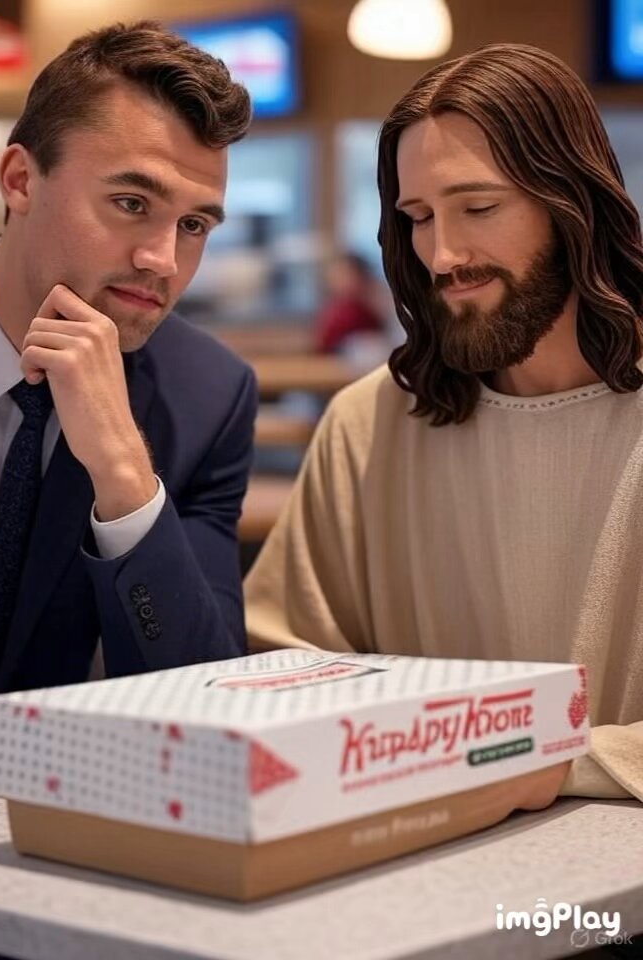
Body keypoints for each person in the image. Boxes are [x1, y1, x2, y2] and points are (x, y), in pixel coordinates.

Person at [245, 44, 643, 803]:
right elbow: (281, 664)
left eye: (479, 208)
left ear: (574, 205)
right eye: (419, 219)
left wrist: (524, 760)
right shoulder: (368, 428)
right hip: (413, 872)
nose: (444, 255)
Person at [0, 20, 257, 785]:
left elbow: (208, 707)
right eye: (132, 202)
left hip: (30, 836)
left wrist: (122, 474)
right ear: (19, 180)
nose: (163, 260)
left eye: (195, 225)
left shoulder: (205, 400)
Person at [314, 251, 386, 353]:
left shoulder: (370, 309)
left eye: (346, 275)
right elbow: (323, 343)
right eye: (336, 277)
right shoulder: (334, 311)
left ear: (362, 277)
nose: (340, 282)